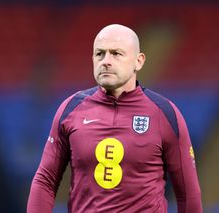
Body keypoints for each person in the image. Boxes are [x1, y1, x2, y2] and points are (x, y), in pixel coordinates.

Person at [27, 24, 202, 213]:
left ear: (139, 61)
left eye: (116, 54)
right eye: (100, 54)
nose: (106, 61)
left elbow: (188, 194)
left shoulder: (165, 114)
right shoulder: (70, 110)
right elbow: (45, 180)